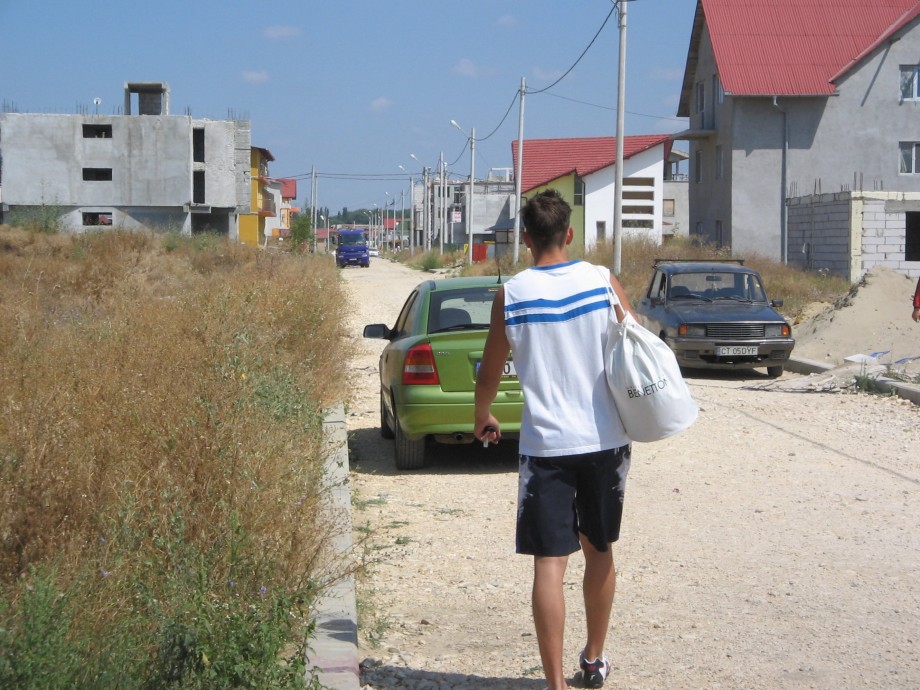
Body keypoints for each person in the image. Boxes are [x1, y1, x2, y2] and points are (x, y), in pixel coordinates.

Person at [474, 189, 636, 690]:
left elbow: (491, 366)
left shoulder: (513, 294)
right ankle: (593, 659)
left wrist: (484, 414)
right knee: (600, 550)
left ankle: (554, 686)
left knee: (550, 562)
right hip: (605, 440)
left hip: (545, 447)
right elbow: (635, 344)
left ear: (526, 238)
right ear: (569, 235)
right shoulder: (601, 281)